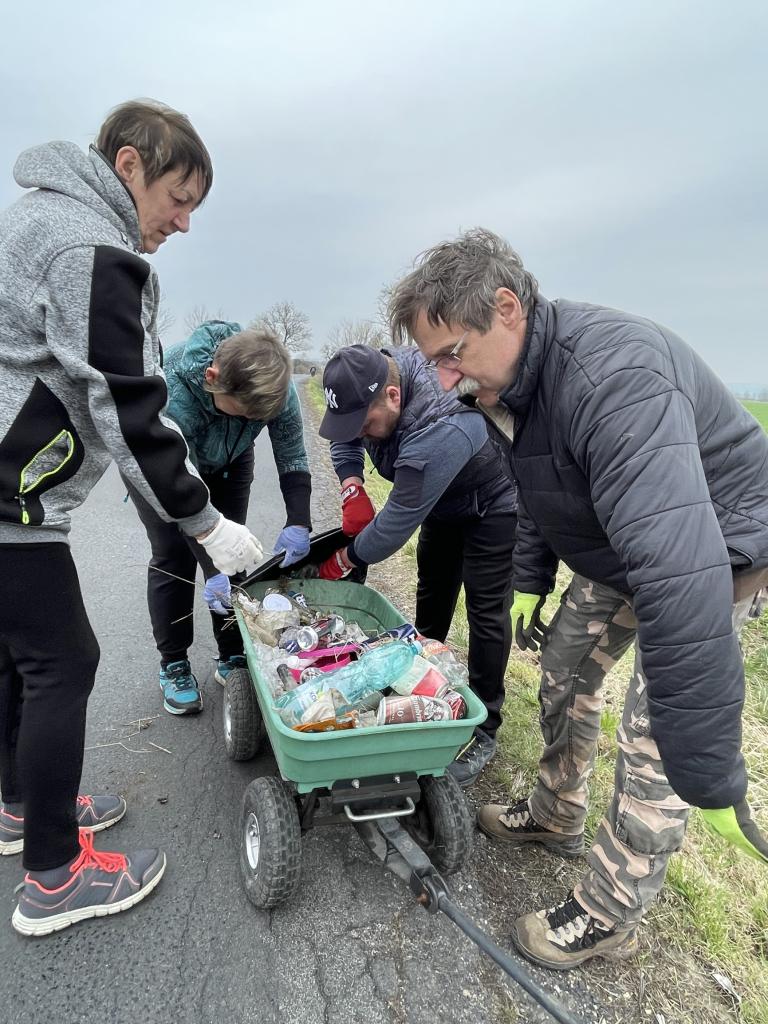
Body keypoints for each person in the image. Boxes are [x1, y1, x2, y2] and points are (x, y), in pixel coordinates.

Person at [388, 227, 768, 969]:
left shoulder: (612, 381)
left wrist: (707, 759)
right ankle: (555, 813)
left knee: (652, 738)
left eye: (451, 353)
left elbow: (676, 568)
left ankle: (609, 913)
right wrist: (530, 580)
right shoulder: (508, 386)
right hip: (627, 540)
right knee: (564, 668)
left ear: (507, 309)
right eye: (433, 361)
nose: (442, 378)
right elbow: (545, 490)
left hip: (711, 551)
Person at [0, 100, 262, 936]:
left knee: (20, 658)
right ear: (128, 166)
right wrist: (206, 522)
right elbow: (127, 404)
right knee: (63, 660)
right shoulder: (89, 248)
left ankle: (21, 806)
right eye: (178, 199)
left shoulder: (43, 220)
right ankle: (53, 878)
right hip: (9, 498)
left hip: (14, 493)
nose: (182, 223)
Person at [317, 343, 517, 786]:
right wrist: (352, 486)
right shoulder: (372, 384)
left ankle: (482, 727)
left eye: (365, 424)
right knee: (433, 588)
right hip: (442, 501)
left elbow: (396, 523)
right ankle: (423, 678)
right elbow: (345, 435)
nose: (362, 433)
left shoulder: (441, 423)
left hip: (494, 503)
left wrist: (344, 559)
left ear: (393, 397)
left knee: (486, 609)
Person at [128, 319, 312, 714]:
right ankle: (174, 663)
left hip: (231, 459)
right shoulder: (173, 393)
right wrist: (211, 566)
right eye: (244, 414)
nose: (250, 422)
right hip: (162, 467)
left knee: (235, 554)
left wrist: (299, 520)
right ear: (212, 380)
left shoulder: (275, 387)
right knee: (174, 557)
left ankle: (232, 653)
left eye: (257, 419)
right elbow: (181, 491)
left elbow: (292, 453)